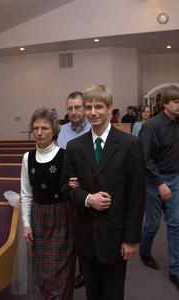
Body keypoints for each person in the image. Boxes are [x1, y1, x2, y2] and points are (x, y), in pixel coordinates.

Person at [62, 84, 145, 300]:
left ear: (109, 108)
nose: (93, 112)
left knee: (114, 292)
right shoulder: (75, 147)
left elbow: (137, 196)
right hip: (87, 234)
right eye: (88, 107)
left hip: (116, 235)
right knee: (93, 293)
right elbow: (65, 188)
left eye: (99, 106)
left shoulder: (130, 145)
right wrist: (88, 198)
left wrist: (131, 239)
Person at [21, 108, 76, 299]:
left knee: (59, 269)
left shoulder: (65, 156)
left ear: (54, 130)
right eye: (35, 128)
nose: (39, 132)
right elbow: (26, 194)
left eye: (44, 128)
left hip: (61, 217)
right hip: (38, 217)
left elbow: (73, 189)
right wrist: (27, 224)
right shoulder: (27, 157)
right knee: (41, 268)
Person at [139, 85, 179, 291]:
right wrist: (160, 183)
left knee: (175, 224)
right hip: (155, 181)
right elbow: (144, 159)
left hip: (175, 178)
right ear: (165, 104)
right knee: (153, 225)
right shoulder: (153, 126)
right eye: (176, 102)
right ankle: (144, 252)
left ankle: (176, 270)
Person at [58, 91, 91, 289]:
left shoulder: (94, 127)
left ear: (85, 108)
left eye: (77, 107)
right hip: (71, 189)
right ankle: (79, 272)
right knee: (75, 234)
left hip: (90, 187)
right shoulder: (63, 131)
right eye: (70, 108)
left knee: (90, 233)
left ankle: (90, 272)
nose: (74, 112)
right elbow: (62, 159)